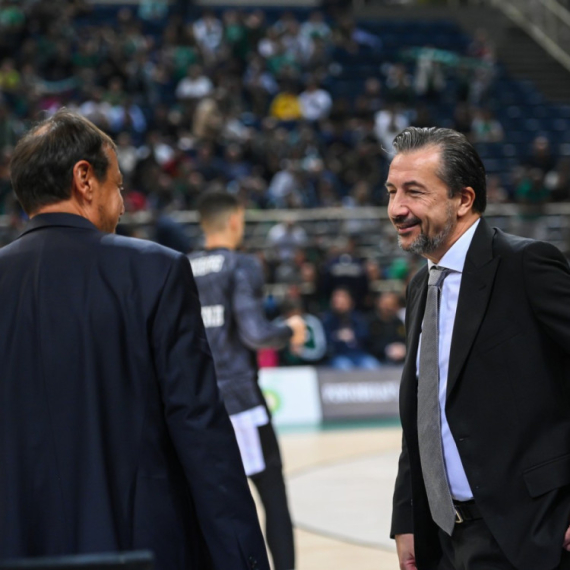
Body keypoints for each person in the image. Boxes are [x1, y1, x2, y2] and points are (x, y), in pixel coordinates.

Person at [0, 110, 270, 570]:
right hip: (137, 549)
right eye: (118, 186)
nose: (123, 204)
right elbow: (201, 433)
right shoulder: (156, 270)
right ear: (84, 179)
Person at [388, 127, 570, 570]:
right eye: (392, 192)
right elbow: (425, 416)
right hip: (446, 540)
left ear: (463, 200)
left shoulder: (526, 265)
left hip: (532, 534)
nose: (397, 209)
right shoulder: (420, 286)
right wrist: (406, 518)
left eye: (414, 192)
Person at [188, 192, 306, 570]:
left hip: (198, 404)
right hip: (241, 402)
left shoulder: (183, 266)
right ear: (236, 220)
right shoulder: (241, 265)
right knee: (272, 497)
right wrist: (290, 330)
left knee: (215, 503)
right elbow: (255, 333)